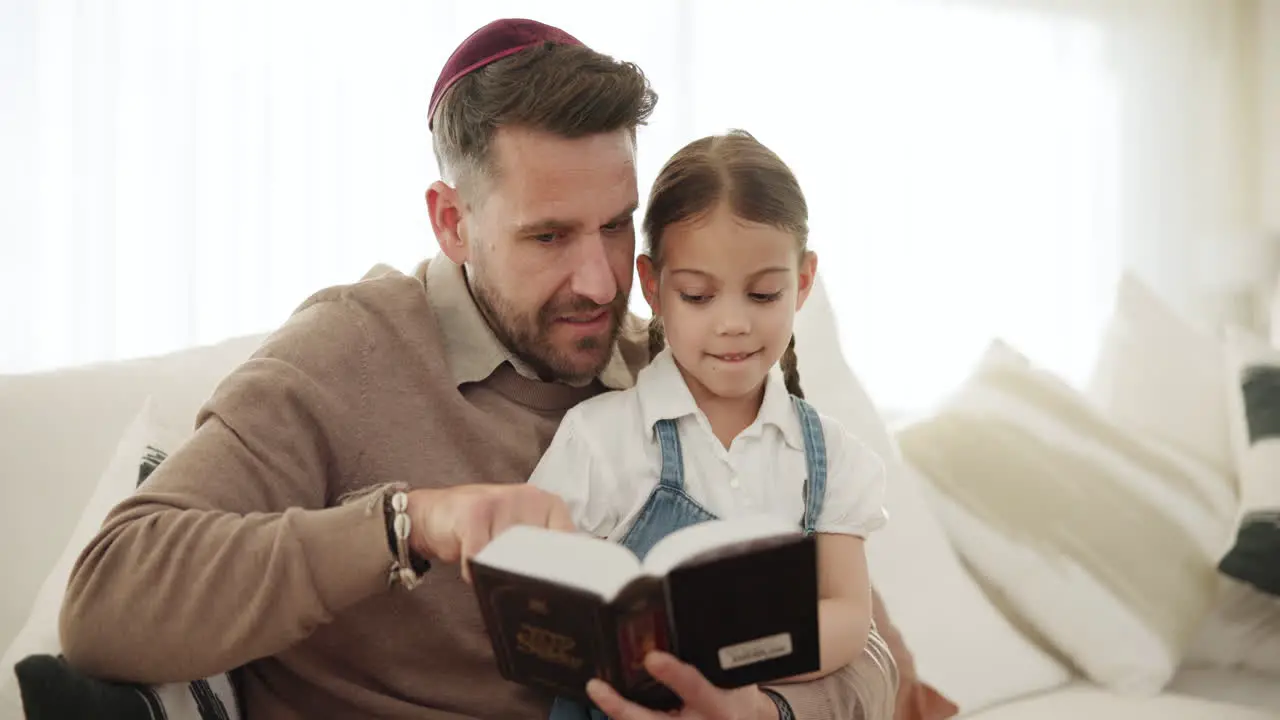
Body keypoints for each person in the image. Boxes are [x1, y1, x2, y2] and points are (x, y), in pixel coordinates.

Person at [56, 17, 898, 720]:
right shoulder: (343, 355)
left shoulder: (668, 367)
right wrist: (403, 524)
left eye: (615, 226)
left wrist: (774, 712)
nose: (600, 282)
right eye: (548, 236)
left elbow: (871, 652)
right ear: (452, 222)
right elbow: (105, 602)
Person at [529, 131, 887, 719]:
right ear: (653, 285)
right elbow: (545, 600)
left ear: (801, 282)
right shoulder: (599, 439)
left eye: (763, 293)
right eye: (698, 296)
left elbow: (848, 611)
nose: (733, 324)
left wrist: (733, 674)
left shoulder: (831, 458)